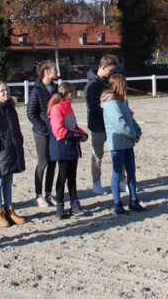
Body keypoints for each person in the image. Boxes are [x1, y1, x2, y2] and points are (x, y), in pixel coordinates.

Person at [0, 81, 27, 228]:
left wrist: (19, 142)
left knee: (8, 181)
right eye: (2, 90)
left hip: (11, 150)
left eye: (7, 89)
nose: (5, 92)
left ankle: (9, 209)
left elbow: (16, 130)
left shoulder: (11, 108)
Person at [101, 73, 145, 215]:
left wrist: (138, 131)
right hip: (118, 144)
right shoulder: (111, 104)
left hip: (128, 143)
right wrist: (134, 134)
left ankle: (133, 200)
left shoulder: (122, 101)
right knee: (117, 173)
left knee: (131, 172)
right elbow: (120, 124)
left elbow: (130, 120)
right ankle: (117, 203)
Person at [47, 83, 89, 219]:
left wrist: (83, 134)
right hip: (63, 147)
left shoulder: (68, 107)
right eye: (72, 92)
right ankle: (60, 206)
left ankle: (74, 203)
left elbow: (74, 126)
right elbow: (59, 130)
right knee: (62, 177)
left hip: (71, 147)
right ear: (67, 93)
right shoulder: (57, 108)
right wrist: (77, 136)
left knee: (72, 177)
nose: (74, 95)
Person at [26, 60, 59, 207]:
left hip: (55, 131)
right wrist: (44, 128)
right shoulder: (36, 91)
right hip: (42, 132)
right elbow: (31, 114)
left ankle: (48, 193)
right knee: (43, 161)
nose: (57, 71)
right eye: (54, 69)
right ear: (47, 72)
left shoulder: (56, 89)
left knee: (53, 162)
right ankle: (38, 195)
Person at [84, 54, 118, 194]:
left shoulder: (109, 81)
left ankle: (121, 180)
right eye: (111, 70)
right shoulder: (92, 85)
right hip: (98, 125)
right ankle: (96, 182)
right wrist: (109, 108)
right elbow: (94, 106)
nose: (112, 73)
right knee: (98, 154)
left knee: (117, 152)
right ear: (103, 67)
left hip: (112, 124)